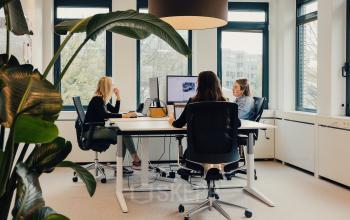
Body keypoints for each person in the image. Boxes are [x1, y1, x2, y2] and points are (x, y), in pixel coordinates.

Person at [169, 71, 240, 175]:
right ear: (217, 84)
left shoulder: (193, 102)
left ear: (199, 85)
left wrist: (171, 119)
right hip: (226, 153)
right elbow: (237, 124)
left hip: (197, 154)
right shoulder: (226, 104)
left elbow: (178, 124)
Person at [84, 76, 141, 171]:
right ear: (107, 87)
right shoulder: (97, 99)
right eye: (112, 85)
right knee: (123, 135)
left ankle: (121, 166)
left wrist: (118, 96)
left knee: (123, 133)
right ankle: (135, 160)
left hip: (97, 129)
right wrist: (125, 116)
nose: (113, 87)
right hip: (92, 130)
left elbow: (115, 110)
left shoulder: (103, 99)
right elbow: (105, 115)